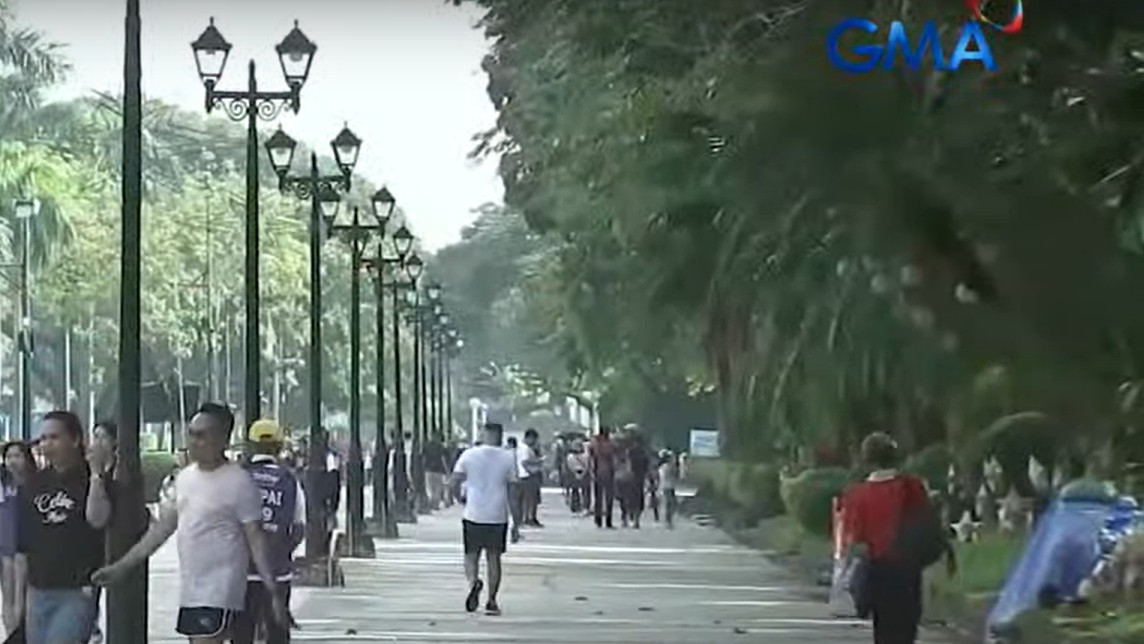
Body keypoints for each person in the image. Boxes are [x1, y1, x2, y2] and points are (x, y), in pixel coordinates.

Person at [93, 403, 286, 643]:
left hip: (222, 591)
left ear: (222, 439)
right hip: (191, 590)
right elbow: (161, 530)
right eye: (192, 434)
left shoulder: (239, 482)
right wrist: (121, 567)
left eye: (202, 435)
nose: (194, 441)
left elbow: (255, 539)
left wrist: (273, 590)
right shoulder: (184, 479)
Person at [16, 411, 112, 644]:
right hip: (38, 588)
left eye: (54, 437)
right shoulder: (35, 483)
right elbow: (24, 545)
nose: (47, 445)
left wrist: (97, 476)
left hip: (77, 589)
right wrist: (20, 595)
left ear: (76, 439)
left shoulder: (91, 478)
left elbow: (98, 519)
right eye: (43, 439)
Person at [842, 432, 930, 644]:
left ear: (867, 459)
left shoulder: (857, 495)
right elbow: (925, 524)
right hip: (908, 568)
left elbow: (856, 541)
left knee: (883, 629)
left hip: (877, 569)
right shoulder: (912, 487)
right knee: (906, 629)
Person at [232, 419, 304, 644]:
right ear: (279, 447)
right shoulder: (290, 481)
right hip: (277, 572)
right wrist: (282, 551)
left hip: (241, 573)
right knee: (277, 632)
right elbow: (299, 527)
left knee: (241, 633)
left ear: (250, 446)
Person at [450, 423, 517, 616]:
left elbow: (454, 481)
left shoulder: (469, 455)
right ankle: (492, 600)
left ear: (484, 434)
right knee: (493, 557)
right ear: (500, 435)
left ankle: (473, 582)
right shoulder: (507, 457)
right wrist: (517, 522)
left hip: (473, 512)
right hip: (497, 514)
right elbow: (514, 491)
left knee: (471, 555)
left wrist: (460, 498)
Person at [0, 441, 35, 635]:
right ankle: (11, 632)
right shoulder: (3, 483)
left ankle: (20, 631)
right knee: (8, 593)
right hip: (5, 546)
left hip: (26, 548)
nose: (12, 461)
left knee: (23, 594)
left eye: (17, 456)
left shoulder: (34, 484)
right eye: (8, 457)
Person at [589, 427, 617, 528]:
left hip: (598, 473)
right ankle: (608, 521)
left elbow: (592, 457)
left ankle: (598, 520)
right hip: (608, 473)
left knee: (598, 498)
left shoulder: (595, 444)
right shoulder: (610, 444)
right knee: (608, 498)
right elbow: (614, 458)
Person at [518, 429, 544, 528]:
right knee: (530, 500)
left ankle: (526, 518)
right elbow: (525, 462)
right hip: (528, 476)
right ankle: (529, 518)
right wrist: (537, 463)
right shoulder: (525, 449)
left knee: (527, 500)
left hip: (523, 476)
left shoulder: (522, 447)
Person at [504, 437, 523, 543]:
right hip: (516, 481)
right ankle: (515, 529)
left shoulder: (503, 453)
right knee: (516, 506)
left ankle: (511, 529)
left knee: (507, 506)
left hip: (505, 481)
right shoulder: (517, 453)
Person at [657, 450, 679, 529]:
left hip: (666, 486)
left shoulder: (663, 467)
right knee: (670, 504)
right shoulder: (667, 467)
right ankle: (668, 521)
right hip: (668, 487)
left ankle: (668, 520)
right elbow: (675, 475)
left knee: (670, 504)